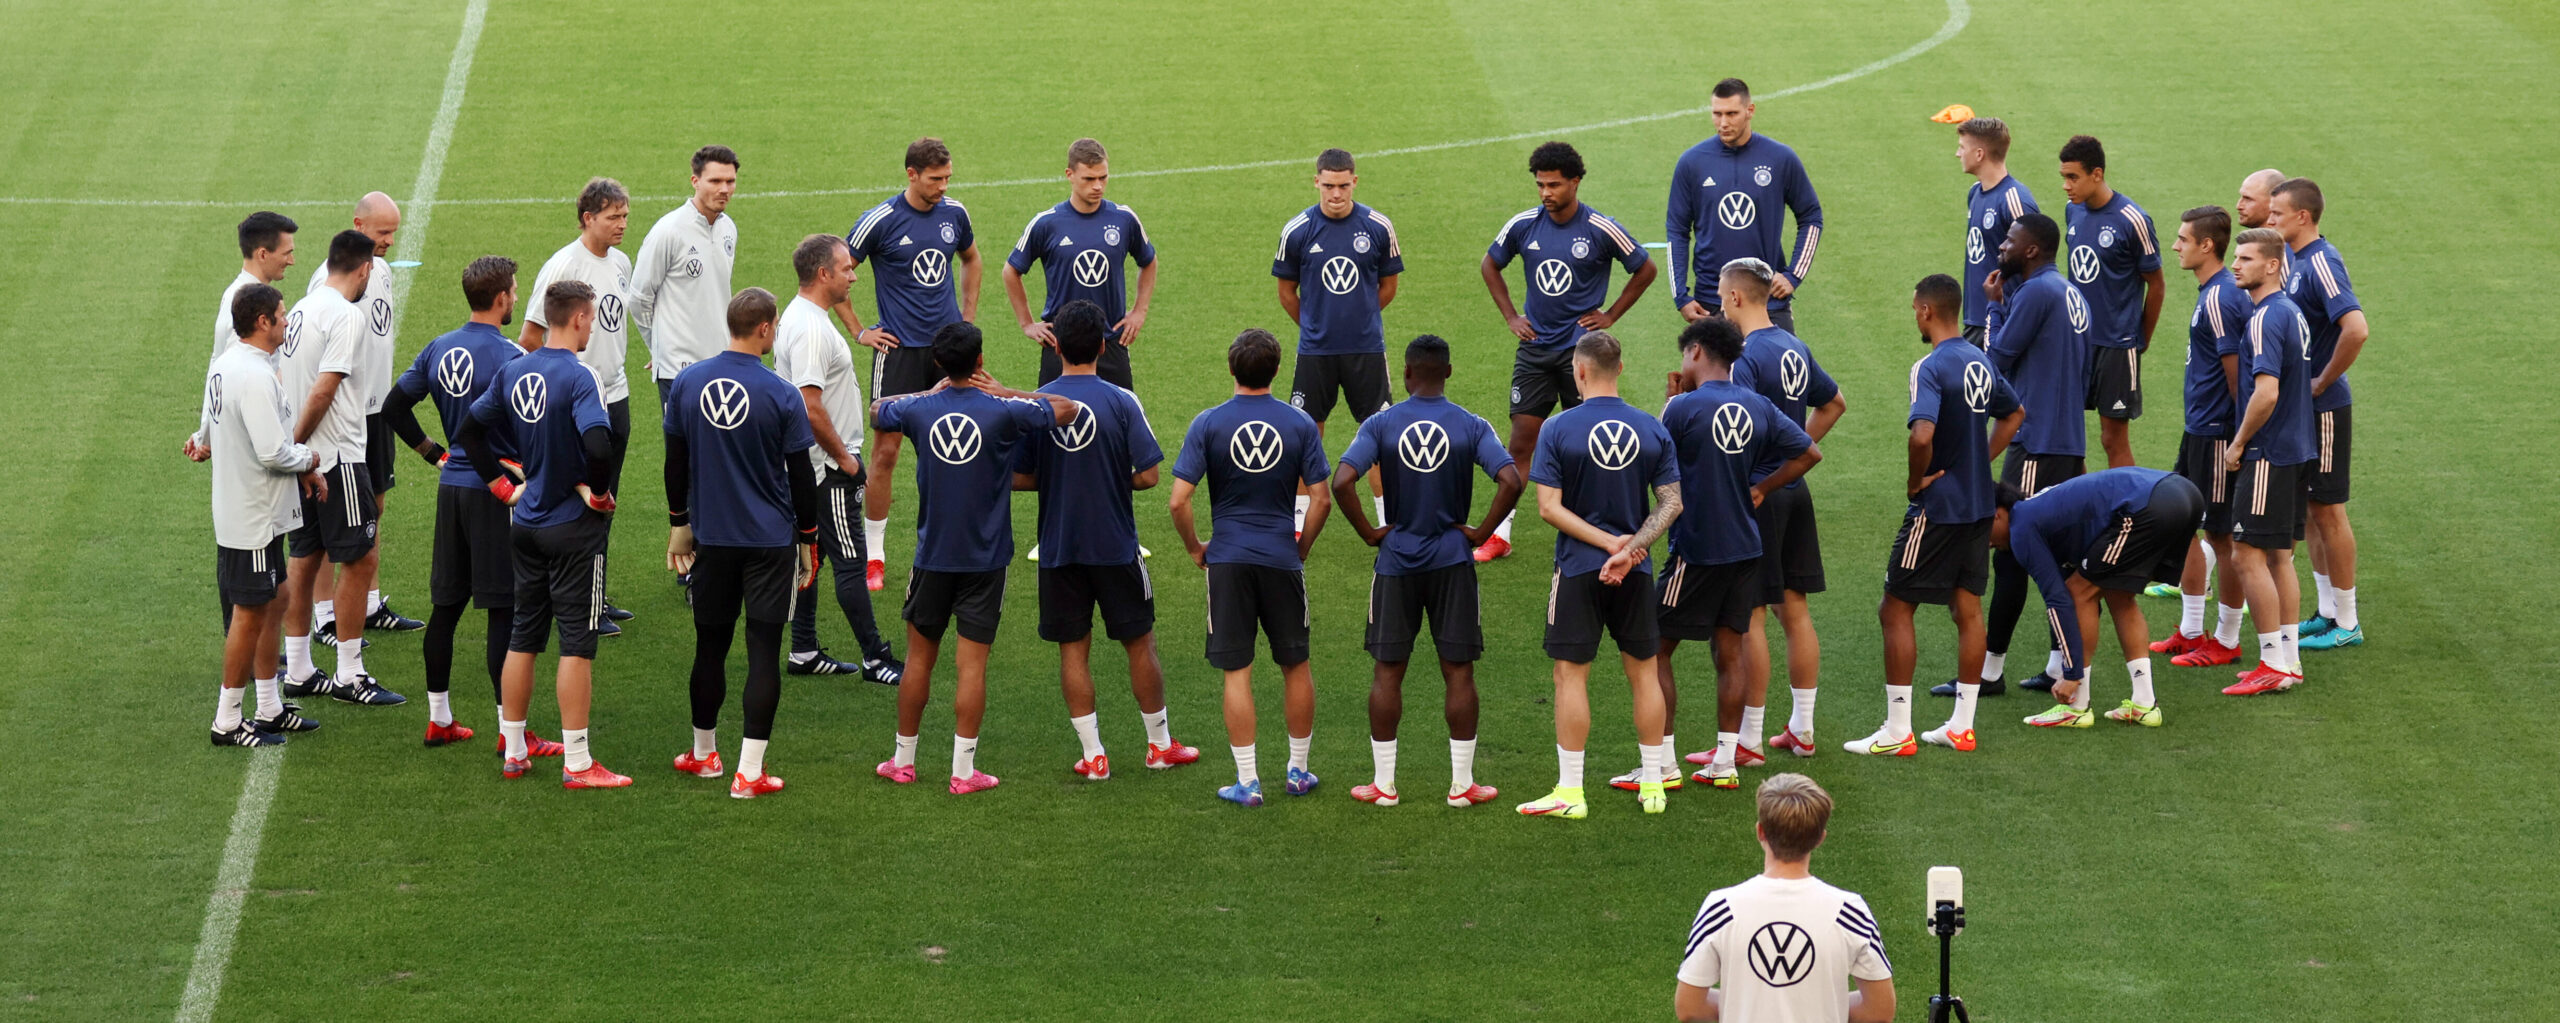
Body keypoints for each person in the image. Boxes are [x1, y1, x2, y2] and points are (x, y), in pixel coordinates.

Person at [868, 323, 1077, 795]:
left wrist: (928, 391)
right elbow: (1066, 409)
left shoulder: (919, 411)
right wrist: (1010, 391)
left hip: (931, 558)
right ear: (980, 360)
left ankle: (903, 762)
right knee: (971, 667)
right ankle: (963, 773)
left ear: (940, 363)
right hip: (986, 560)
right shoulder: (1003, 412)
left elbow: (878, 409)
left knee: (919, 660)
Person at [1330, 334, 1524, 808]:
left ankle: (1383, 785)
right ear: (1449, 373)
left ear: (1408, 374)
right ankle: (1462, 786)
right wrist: (1480, 533)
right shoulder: (1472, 425)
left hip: (1396, 562)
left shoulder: (1381, 423)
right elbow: (1511, 479)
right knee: (1458, 672)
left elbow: (1341, 481)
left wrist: (1370, 533)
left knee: (1387, 672)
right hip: (1453, 563)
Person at [382, 256, 562, 752]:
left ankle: (440, 719)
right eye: (515, 292)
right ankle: (512, 735)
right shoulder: (511, 357)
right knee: (503, 609)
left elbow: (394, 407)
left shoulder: (439, 347)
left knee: (446, 607)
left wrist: (435, 454)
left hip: (453, 490)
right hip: (493, 493)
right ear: (503, 298)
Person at [456, 280, 630, 788]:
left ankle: (514, 748)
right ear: (577, 318)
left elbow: (469, 432)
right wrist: (597, 494)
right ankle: (578, 762)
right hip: (573, 529)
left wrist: (502, 487)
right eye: (591, 317)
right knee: (577, 642)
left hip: (525, 522)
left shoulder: (514, 369)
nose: (593, 325)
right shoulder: (581, 375)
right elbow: (600, 445)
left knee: (524, 635)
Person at [1013, 300, 1198, 778]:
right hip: (1115, 545)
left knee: (1073, 649)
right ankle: (1158, 746)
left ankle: (1094, 756)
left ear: (1055, 348)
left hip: (1058, 547)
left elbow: (1019, 477)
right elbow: (1151, 476)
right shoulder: (1121, 399)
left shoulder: (1039, 403)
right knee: (1140, 644)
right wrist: (1113, 479)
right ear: (1101, 345)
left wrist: (1058, 479)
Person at [1851, 275, 2020, 757]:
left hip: (1939, 506)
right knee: (1967, 610)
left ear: (1926, 311)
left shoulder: (1929, 366)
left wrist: (1914, 482)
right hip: (1978, 506)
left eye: (1913, 309)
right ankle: (1961, 726)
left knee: (1895, 607)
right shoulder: (1979, 361)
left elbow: (1921, 435)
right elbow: (2014, 414)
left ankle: (1898, 730)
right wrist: (1977, 460)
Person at [1516, 331, 1682, 819]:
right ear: (1621, 369)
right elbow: (1671, 502)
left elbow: (1549, 508)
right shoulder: (1652, 428)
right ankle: (1654, 785)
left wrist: (1608, 545)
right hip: (1636, 570)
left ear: (1580, 372)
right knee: (1644, 674)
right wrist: (1630, 549)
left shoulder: (1558, 428)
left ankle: (1570, 793)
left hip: (1577, 569)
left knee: (1570, 677)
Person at [663, 288, 820, 798]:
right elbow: (801, 477)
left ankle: (704, 754)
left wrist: (679, 522)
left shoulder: (687, 382)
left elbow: (675, 463)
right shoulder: (782, 393)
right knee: (763, 651)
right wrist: (808, 539)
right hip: (770, 542)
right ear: (766, 329)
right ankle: (750, 773)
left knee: (709, 646)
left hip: (712, 540)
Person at [1650, 317, 1817, 793]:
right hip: (1747, 546)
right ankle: (1724, 761)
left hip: (1696, 547)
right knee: (1730, 650)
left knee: (1655, 646)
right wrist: (1761, 487)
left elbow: (1658, 462)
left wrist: (1669, 403)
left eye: (1685, 354)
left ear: (1697, 351)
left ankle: (1662, 762)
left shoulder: (1682, 407)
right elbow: (1808, 453)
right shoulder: (1758, 404)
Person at [1169, 329, 1331, 807]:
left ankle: (1248, 781)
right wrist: (1301, 547)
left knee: (1236, 671)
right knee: (1295, 664)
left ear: (1230, 368)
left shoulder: (1208, 423)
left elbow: (1179, 501)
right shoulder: (1299, 423)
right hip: (1281, 556)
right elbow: (1321, 498)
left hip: (1229, 561)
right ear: (1277, 370)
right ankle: (1298, 772)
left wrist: (1196, 548)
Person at [1475, 141, 1654, 562]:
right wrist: (1511, 317)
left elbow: (1645, 269)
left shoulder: (1600, 228)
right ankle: (1499, 534)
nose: (1545, 193)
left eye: (1554, 185)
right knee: (1520, 442)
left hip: (1583, 355)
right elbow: (1489, 265)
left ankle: (1595, 530)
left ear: (1575, 182)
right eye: (1540, 185)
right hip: (1536, 351)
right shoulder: (1523, 225)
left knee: (1588, 443)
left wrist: (1610, 314)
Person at [1946, 212, 2089, 700]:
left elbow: (1996, 361)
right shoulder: (2069, 291)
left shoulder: (2034, 292)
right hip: (2069, 439)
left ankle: (1989, 672)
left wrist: (1994, 308)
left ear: (2031, 250)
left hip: (2036, 438)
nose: (2000, 247)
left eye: (2009, 241)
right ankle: (2056, 664)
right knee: (2065, 555)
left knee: (2009, 551)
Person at [844, 137, 981, 592]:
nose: (943, 186)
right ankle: (875, 556)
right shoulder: (881, 220)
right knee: (886, 453)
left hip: (947, 353)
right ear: (911, 174)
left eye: (947, 178)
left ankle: (946, 546)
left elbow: (971, 258)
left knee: (948, 451)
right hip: (899, 354)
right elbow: (836, 271)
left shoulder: (954, 214)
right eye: (935, 178)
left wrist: (967, 318)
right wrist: (860, 330)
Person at [1721, 258, 1843, 768]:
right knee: (1794, 611)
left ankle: (1747, 740)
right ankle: (1803, 729)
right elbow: (1833, 403)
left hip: (1761, 494)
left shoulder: (1745, 357)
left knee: (1751, 615)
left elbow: (1739, 425)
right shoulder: (1795, 345)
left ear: (1737, 298)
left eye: (1722, 296)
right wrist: (1797, 455)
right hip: (1794, 490)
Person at [275, 229, 404, 707]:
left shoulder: (303, 307)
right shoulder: (347, 315)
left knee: (306, 556)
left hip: (306, 461)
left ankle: (300, 667)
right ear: (364, 269)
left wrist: (291, 452)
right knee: (361, 556)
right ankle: (351, 673)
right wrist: (298, 444)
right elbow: (325, 391)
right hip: (337, 458)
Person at [772, 234, 901, 684]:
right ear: (823, 274)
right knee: (850, 559)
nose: (854, 274)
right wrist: (845, 459)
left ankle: (804, 649)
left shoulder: (804, 316)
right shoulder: (810, 329)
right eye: (847, 268)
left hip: (811, 464)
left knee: (815, 554)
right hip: (824, 468)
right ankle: (875, 657)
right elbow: (809, 406)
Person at [203, 283, 325, 746]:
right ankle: (228, 721)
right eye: (282, 314)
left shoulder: (231, 364)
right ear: (262, 322)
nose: (287, 320)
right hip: (252, 516)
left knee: (276, 599)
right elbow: (273, 451)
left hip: (254, 511)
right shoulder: (252, 375)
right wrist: (310, 462)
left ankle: (269, 707)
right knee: (250, 613)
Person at [1994, 467, 2206, 728]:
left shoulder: (2021, 528)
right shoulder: (2037, 510)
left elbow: (2058, 600)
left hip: (2149, 503)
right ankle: (2144, 703)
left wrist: (2071, 673)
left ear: (1997, 515)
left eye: (1982, 534)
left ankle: (2077, 706)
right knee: (2119, 596)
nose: (1987, 544)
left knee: (2078, 591)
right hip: (2183, 492)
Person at [1673, 774, 1895, 1023]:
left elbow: (1689, 1009)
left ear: (1760, 831)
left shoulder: (1721, 908)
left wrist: (1740, 1004)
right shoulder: (1849, 911)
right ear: (1820, 838)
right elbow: (1880, 1011)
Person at [305, 192, 424, 640]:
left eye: (394, 231)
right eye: (383, 232)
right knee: (327, 521)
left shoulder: (383, 271)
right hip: (344, 418)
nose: (391, 241)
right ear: (358, 224)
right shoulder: (326, 282)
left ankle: (369, 605)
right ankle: (324, 616)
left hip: (377, 411)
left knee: (374, 504)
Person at [525, 177, 640, 632]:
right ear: (587, 218)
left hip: (616, 394)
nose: (622, 225)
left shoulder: (621, 262)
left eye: (625, 216)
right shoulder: (564, 267)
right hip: (576, 403)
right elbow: (531, 338)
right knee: (576, 505)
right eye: (613, 217)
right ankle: (575, 601)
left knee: (604, 499)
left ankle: (595, 593)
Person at [1273, 148, 1402, 534]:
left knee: (1378, 432)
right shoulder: (1297, 230)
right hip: (1315, 352)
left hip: (1366, 350)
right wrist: (1314, 324)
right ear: (1316, 182)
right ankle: (1297, 523)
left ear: (1354, 183)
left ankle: (1388, 519)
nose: (1335, 194)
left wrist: (1360, 319)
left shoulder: (1378, 226)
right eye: (1328, 186)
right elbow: (1286, 291)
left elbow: (1389, 285)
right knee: (1306, 432)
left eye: (1343, 185)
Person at [2148, 207, 2253, 669]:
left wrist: (2238, 438)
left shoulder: (2220, 297)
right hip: (2199, 429)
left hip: (2215, 433)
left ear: (2207, 245)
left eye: (2183, 238)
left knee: (2222, 536)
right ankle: (2192, 630)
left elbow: (2237, 377)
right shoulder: (2214, 291)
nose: (2175, 246)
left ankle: (2226, 640)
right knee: (2187, 525)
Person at [187, 210, 300, 629]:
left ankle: (259, 657)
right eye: (286, 252)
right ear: (262, 252)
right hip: (253, 465)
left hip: (261, 447)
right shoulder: (244, 306)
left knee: (266, 571)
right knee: (251, 571)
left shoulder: (257, 298)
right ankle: (248, 659)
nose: (291, 260)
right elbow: (219, 371)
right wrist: (206, 436)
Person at [2218, 228, 2319, 697]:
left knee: (2245, 553)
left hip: (2268, 453)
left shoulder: (2263, 318)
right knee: (2280, 555)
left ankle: (2273, 663)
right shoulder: (2292, 313)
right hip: (2298, 448)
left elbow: (2266, 391)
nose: (2236, 265)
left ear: (2273, 265)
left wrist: (2239, 443)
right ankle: (2290, 660)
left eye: (2246, 258)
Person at [2272, 178, 2367, 651]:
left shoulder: (2322, 263)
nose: (2270, 221)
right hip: (2303, 409)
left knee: (2329, 510)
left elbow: (2356, 328)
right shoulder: (2295, 261)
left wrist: (2321, 381)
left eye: (2277, 214)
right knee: (2312, 509)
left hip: (2324, 409)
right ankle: (2327, 610)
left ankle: (2347, 621)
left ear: (2303, 217)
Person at [1665, 78, 1823, 331]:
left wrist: (1794, 275)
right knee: (1715, 373)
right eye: (1717, 114)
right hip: (1712, 302)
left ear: (1750, 111)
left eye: (1732, 114)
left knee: (1775, 371)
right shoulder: (1692, 163)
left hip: (1767, 302)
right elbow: (1677, 230)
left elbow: (1811, 216)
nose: (1723, 122)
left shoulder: (1780, 158)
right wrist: (1681, 296)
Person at [1004, 138, 1157, 389]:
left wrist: (1140, 311)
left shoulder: (1124, 219)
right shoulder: (1047, 223)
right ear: (1070, 175)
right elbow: (1011, 271)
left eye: (1103, 177)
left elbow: (1149, 261)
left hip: (1109, 343)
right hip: (1060, 347)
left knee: (1120, 422)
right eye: (1089, 179)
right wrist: (1027, 324)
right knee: (1053, 421)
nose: (1098, 186)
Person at [2056, 135, 2163, 470]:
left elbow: (2156, 284)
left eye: (2073, 177)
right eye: (2064, 177)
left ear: (2097, 174)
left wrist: (2139, 338)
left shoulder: (2132, 219)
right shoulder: (2072, 211)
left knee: (2112, 438)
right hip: (2078, 341)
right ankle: (2078, 506)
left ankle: (2125, 515)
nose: (2066, 186)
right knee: (2066, 434)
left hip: (2117, 345)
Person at [631, 146, 740, 406]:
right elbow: (638, 298)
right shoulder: (668, 231)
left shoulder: (728, 228)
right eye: (715, 181)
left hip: (720, 363)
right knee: (684, 447)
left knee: (718, 446)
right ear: (695, 181)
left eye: (730, 181)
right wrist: (658, 348)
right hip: (679, 370)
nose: (724, 189)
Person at [1956, 117, 2036, 346]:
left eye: (1962, 147)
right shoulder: (1975, 193)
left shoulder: (2014, 200)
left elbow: (2039, 262)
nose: (1958, 154)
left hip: (2004, 322)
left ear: (1979, 154)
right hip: (1977, 319)